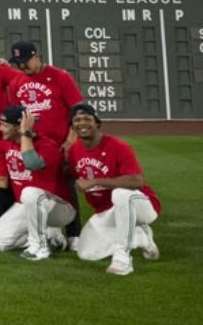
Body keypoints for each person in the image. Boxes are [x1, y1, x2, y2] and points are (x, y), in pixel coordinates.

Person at [66, 103, 161, 275]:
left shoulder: (118, 146)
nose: (82, 123)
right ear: (72, 127)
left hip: (142, 205)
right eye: (77, 120)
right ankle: (140, 236)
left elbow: (137, 181)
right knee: (86, 253)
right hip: (107, 210)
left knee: (121, 194)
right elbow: (74, 177)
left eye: (87, 119)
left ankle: (123, 257)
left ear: (97, 123)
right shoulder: (74, 151)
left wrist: (95, 182)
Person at [0, 106, 75, 260]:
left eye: (5, 125)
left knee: (30, 193)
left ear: (19, 126)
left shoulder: (47, 145)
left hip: (58, 208)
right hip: (26, 204)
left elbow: (31, 163)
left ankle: (40, 246)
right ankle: (50, 236)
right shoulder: (6, 143)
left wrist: (26, 134)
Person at [5, 41, 83, 144]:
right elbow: (17, 118)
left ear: (36, 57)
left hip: (61, 143)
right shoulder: (15, 83)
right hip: (32, 144)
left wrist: (70, 139)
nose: (22, 66)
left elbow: (79, 110)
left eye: (25, 61)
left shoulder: (60, 77)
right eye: (18, 63)